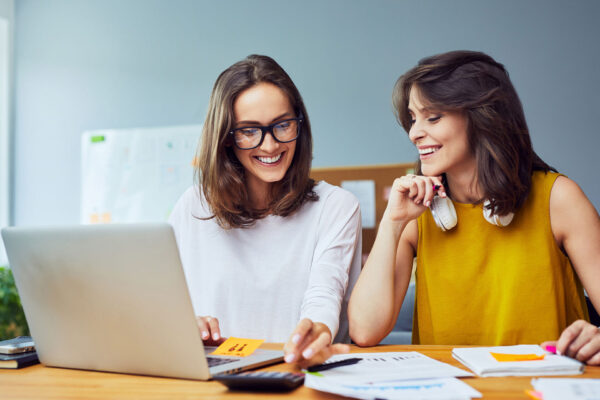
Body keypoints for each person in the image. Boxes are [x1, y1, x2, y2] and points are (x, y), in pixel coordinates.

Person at [348, 50, 600, 365]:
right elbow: (364, 330)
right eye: (413, 119)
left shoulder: (558, 199)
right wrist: (392, 223)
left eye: (433, 117)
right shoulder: (419, 212)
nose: (414, 133)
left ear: (482, 116)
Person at [168, 54, 361, 367]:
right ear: (227, 138)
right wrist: (184, 324)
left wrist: (316, 332)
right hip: (212, 381)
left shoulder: (335, 206)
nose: (270, 146)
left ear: (299, 123)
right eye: (249, 130)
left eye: (283, 125)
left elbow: (325, 293)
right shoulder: (193, 206)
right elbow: (164, 304)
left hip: (295, 374)